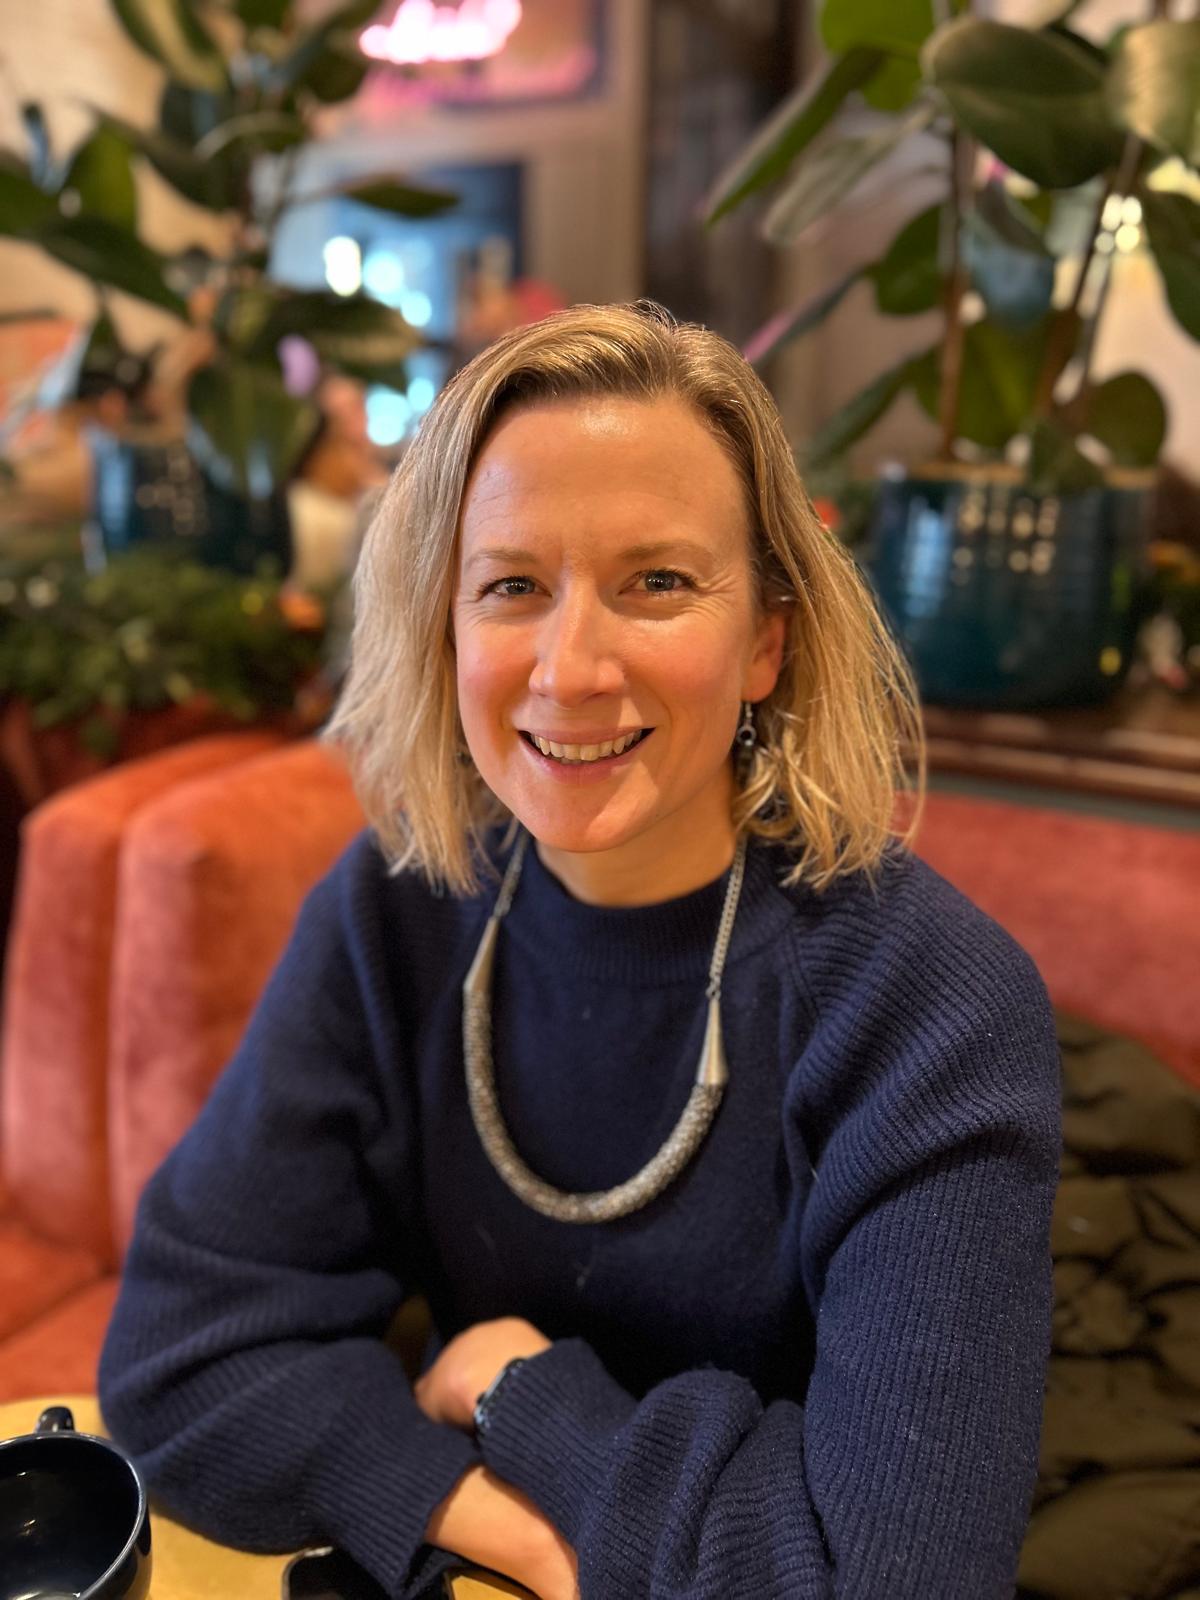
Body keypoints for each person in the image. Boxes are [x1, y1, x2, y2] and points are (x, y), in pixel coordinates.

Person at [98, 300, 1063, 1600]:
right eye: (511, 587)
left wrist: (523, 1395)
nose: (570, 669)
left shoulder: (932, 1002)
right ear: (445, 629)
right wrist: (518, 1536)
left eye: (656, 583)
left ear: (766, 639)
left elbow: (893, 1581)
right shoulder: (396, 910)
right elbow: (180, 1359)